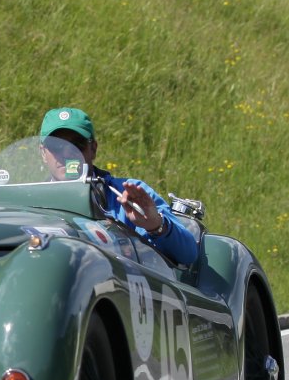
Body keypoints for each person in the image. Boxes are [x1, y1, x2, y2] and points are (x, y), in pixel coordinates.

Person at [39, 107, 201, 265]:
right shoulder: (32, 201)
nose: (67, 154)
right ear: (43, 153)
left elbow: (188, 254)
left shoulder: (129, 193)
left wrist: (155, 225)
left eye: (77, 144)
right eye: (56, 145)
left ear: (93, 149)